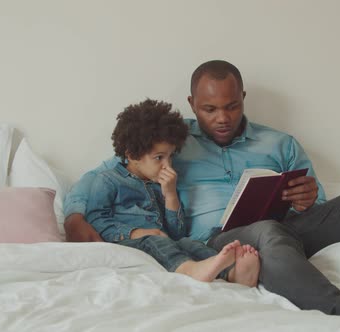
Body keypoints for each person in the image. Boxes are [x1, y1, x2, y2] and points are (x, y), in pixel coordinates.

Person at [64, 60, 340, 318]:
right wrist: (76, 213)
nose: (222, 118)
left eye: (231, 106)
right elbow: (119, 166)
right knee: (267, 230)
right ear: (192, 104)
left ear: (243, 99)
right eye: (209, 109)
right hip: (223, 239)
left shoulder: (280, 143)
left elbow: (319, 206)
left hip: (291, 229)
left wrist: (309, 199)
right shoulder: (173, 138)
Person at [85, 98, 260, 286]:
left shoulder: (160, 184)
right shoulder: (108, 180)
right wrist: (135, 232)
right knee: (155, 241)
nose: (167, 165)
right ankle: (189, 269)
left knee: (190, 243)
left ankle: (232, 272)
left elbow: (176, 233)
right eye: (159, 158)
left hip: (165, 242)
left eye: (170, 157)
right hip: (130, 244)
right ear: (132, 155)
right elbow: (96, 220)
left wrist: (170, 195)